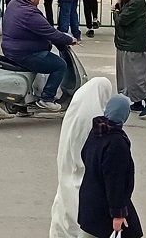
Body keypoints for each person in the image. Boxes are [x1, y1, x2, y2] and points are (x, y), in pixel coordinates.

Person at [49, 77, 113, 238]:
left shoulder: (74, 112)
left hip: (67, 168)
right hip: (84, 177)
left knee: (64, 209)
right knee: (80, 215)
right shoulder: (96, 120)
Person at [1, 0, 78, 110]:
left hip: (13, 48)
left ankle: (24, 106)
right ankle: (47, 98)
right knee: (60, 65)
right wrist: (70, 40)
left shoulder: (14, 3)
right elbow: (50, 32)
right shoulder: (29, 14)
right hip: (24, 53)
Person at [77, 95, 144, 238]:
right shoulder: (116, 142)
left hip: (90, 200)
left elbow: (84, 155)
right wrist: (118, 214)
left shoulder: (97, 131)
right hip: (106, 205)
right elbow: (115, 181)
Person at [113, 0, 146, 118]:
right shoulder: (130, 0)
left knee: (133, 77)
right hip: (125, 43)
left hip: (133, 46)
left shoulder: (136, 3)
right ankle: (137, 102)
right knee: (125, 76)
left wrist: (115, 10)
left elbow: (122, 20)